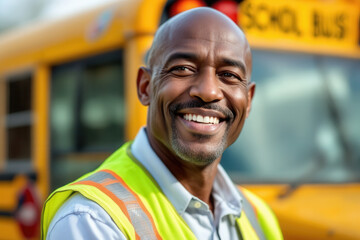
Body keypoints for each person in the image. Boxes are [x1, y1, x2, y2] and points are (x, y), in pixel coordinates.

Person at [41, 7, 283, 240]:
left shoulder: (258, 216)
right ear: (145, 87)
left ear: (249, 100)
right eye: (183, 69)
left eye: (229, 75)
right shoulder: (92, 220)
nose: (208, 91)